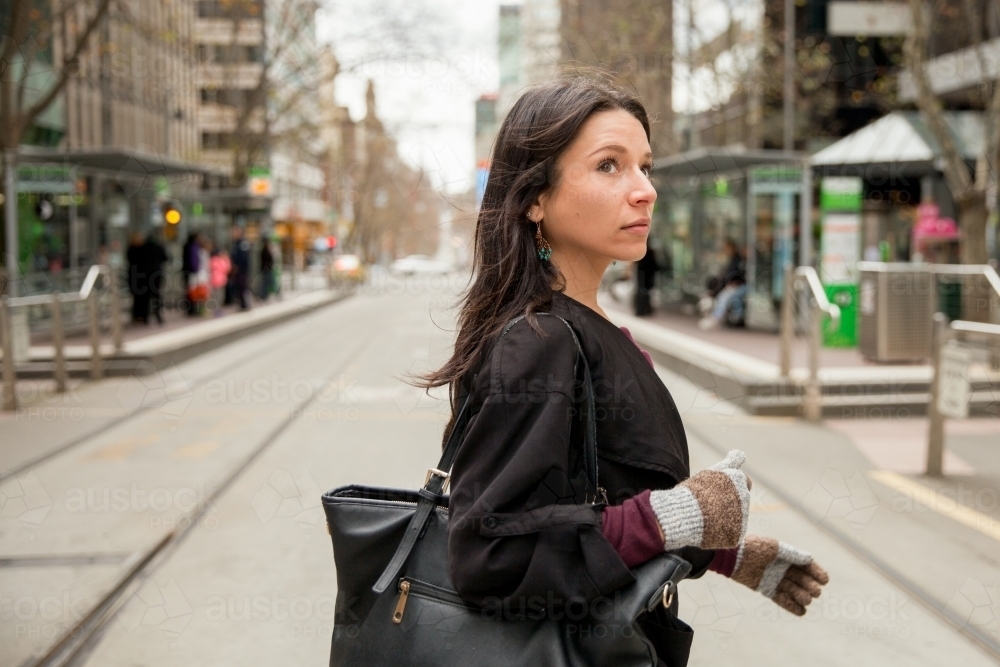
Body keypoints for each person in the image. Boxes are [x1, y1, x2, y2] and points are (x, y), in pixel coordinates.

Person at [415, 77, 828, 665]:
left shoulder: (586, 328)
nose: (645, 191)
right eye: (609, 166)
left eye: (645, 167)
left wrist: (723, 552)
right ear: (535, 198)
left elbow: (592, 495)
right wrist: (676, 513)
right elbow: (491, 550)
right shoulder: (541, 342)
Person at [698, 238, 746, 330]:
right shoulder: (731, 259)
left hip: (741, 286)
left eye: (727, 248)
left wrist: (734, 282)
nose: (726, 250)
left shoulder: (738, 259)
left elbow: (740, 275)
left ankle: (716, 318)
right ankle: (737, 319)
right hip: (733, 285)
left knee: (724, 297)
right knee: (734, 299)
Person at [144, 232, 169, 325]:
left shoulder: (143, 247)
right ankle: (158, 316)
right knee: (156, 295)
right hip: (156, 273)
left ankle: (145, 317)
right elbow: (166, 258)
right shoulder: (158, 247)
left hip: (145, 273)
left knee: (145, 295)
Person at [126, 232, 149, 324]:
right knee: (137, 298)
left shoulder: (145, 249)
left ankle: (144, 316)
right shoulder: (131, 250)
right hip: (135, 277)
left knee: (144, 298)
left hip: (143, 277)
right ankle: (137, 316)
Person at [633, 237, 660, 316]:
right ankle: (644, 309)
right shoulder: (649, 251)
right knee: (646, 292)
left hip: (642, 275)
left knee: (642, 292)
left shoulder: (642, 251)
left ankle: (642, 309)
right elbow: (654, 265)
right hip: (647, 275)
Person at [230, 226, 251, 311]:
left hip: (241, 271)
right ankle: (242, 304)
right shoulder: (236, 244)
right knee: (238, 287)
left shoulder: (243, 244)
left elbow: (243, 258)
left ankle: (245, 304)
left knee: (242, 287)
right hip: (237, 271)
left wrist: (238, 267)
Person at [209, 245, 231, 317]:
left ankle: (216, 309)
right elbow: (227, 268)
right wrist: (227, 259)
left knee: (216, 296)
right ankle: (217, 310)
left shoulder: (212, 260)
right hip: (219, 280)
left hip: (214, 280)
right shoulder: (219, 260)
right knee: (219, 296)